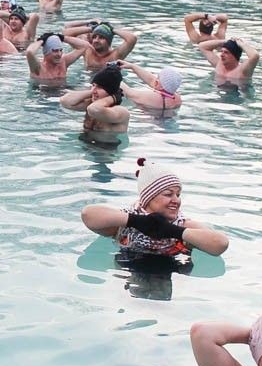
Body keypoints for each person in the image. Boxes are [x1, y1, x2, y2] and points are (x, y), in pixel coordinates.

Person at [81, 158, 229, 260]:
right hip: (129, 272)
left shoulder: (182, 224)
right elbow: (88, 214)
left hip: (171, 271)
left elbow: (220, 244)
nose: (176, 200)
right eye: (168, 194)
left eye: (178, 195)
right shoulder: (124, 224)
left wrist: (173, 231)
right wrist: (137, 221)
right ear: (148, 198)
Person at [60, 65, 131, 143]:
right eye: (93, 85)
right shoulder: (91, 103)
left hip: (104, 149)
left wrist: (113, 97)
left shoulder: (120, 112)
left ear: (110, 90)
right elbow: (65, 101)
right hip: (84, 145)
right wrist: (92, 92)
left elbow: (94, 110)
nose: (94, 90)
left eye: (99, 87)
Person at [69, 21, 138, 71]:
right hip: (88, 81)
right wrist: (92, 28)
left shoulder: (115, 55)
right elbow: (67, 35)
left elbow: (132, 38)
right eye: (94, 37)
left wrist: (113, 30)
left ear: (108, 41)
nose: (96, 40)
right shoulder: (87, 50)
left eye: (101, 38)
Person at [119, 63, 183, 112]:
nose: (155, 79)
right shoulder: (177, 97)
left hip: (152, 123)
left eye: (158, 77)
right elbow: (152, 80)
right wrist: (132, 66)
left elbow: (128, 92)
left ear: (157, 83)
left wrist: (114, 75)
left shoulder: (153, 97)